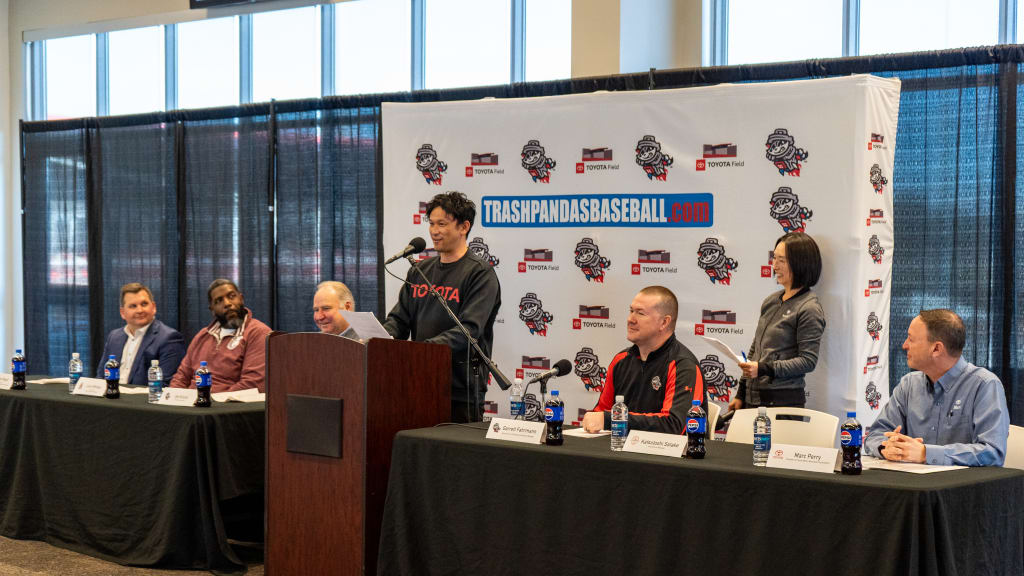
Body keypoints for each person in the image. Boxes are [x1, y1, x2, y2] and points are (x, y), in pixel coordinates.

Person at [383, 191, 501, 423]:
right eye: (432, 223)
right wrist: (380, 338)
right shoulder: (419, 271)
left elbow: (469, 330)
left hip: (460, 389)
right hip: (419, 382)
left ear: (463, 227)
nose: (434, 231)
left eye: (442, 224)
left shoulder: (480, 273)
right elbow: (399, 320)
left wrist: (422, 351)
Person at [865, 309, 1009, 466]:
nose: (904, 345)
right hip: (913, 486)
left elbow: (992, 452)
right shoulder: (908, 385)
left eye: (911, 339)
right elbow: (875, 435)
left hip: (960, 488)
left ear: (936, 349)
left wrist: (926, 453)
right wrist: (887, 447)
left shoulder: (984, 385)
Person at [581, 286, 706, 434]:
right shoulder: (620, 360)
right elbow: (601, 411)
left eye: (640, 313)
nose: (630, 319)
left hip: (669, 456)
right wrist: (597, 420)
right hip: (620, 451)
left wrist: (611, 420)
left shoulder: (684, 366)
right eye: (631, 311)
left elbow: (674, 425)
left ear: (664, 322)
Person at [728, 232, 825, 410]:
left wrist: (765, 368)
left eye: (782, 260)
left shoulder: (809, 307)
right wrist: (741, 393)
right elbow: (755, 350)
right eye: (774, 258)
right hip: (753, 399)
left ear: (800, 263)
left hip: (783, 402)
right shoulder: (771, 301)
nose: (774, 266)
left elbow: (808, 360)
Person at [170, 279, 272, 393]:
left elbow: (253, 384)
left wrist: (211, 401)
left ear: (241, 299)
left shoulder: (258, 333)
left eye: (232, 296)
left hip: (228, 407)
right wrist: (174, 399)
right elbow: (181, 377)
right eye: (219, 301)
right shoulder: (202, 335)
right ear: (212, 309)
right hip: (193, 404)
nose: (227, 303)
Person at [97, 282, 185, 385]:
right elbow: (101, 376)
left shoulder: (169, 338)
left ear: (153, 307)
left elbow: (165, 384)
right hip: (111, 396)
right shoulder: (114, 337)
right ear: (122, 313)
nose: (140, 310)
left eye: (144, 304)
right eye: (133, 306)